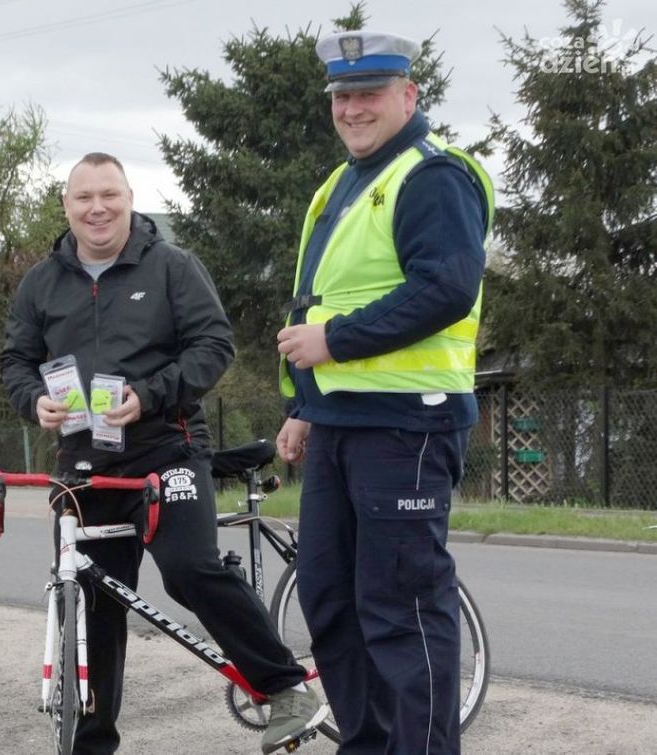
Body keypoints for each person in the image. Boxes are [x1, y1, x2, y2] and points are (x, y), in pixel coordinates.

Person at [2, 152, 327, 754]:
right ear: (67, 206)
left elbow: (214, 345)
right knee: (91, 603)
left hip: (166, 448)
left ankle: (284, 688)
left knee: (188, 568)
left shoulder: (173, 266)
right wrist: (32, 402)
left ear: (130, 200)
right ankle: (91, 746)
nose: (97, 208)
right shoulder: (41, 282)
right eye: (84, 198)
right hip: (82, 464)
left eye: (110, 196)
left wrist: (147, 395)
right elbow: (16, 361)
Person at [275, 31, 494, 754]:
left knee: (400, 609)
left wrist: (333, 341)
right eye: (342, 96)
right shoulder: (344, 183)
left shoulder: (431, 177)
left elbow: (447, 288)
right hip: (340, 423)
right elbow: (322, 297)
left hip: (408, 426)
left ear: (409, 95)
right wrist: (304, 406)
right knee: (330, 600)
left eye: (369, 93)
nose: (353, 108)